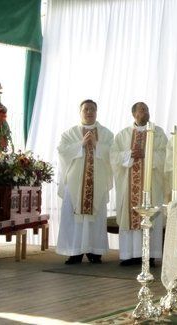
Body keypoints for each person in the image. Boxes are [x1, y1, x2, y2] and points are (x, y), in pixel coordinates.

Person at [56, 99, 114, 264]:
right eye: (86, 109)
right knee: (73, 216)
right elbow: (62, 152)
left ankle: (94, 251)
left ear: (97, 112)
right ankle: (74, 251)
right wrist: (81, 144)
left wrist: (97, 145)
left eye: (92, 109)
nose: (89, 112)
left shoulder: (106, 134)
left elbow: (113, 154)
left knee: (95, 217)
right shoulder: (70, 133)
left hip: (97, 181)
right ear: (80, 112)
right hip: (75, 183)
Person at [111, 102, 167, 266]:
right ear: (134, 113)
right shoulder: (123, 135)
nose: (146, 112)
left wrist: (147, 154)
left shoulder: (157, 133)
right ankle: (129, 255)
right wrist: (129, 154)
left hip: (151, 185)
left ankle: (148, 255)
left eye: (147, 109)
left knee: (150, 215)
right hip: (129, 185)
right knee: (130, 216)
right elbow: (113, 156)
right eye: (142, 110)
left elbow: (166, 154)